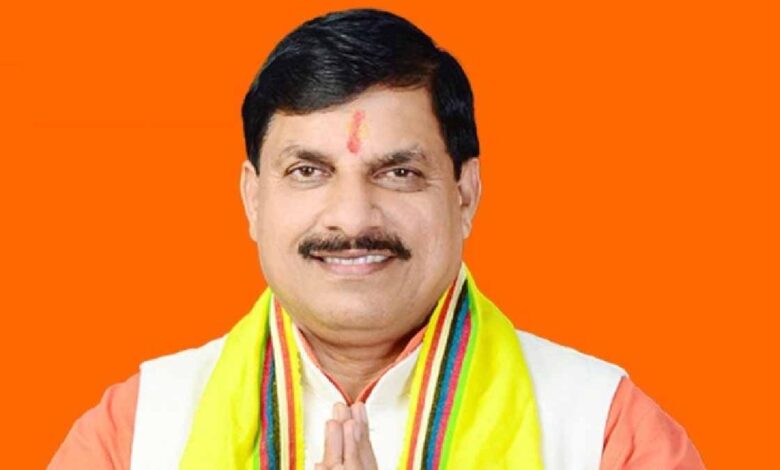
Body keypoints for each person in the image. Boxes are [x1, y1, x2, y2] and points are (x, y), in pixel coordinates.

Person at [49, 8, 705, 470]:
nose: (352, 217)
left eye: (398, 173)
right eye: (309, 172)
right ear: (253, 197)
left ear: (465, 194)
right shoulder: (136, 433)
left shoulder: (604, 431)